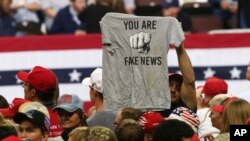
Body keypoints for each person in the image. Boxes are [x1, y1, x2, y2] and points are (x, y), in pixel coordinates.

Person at [17, 66, 62, 137]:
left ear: (33, 92)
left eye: (25, 84)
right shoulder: (66, 118)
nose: (23, 88)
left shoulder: (22, 120)